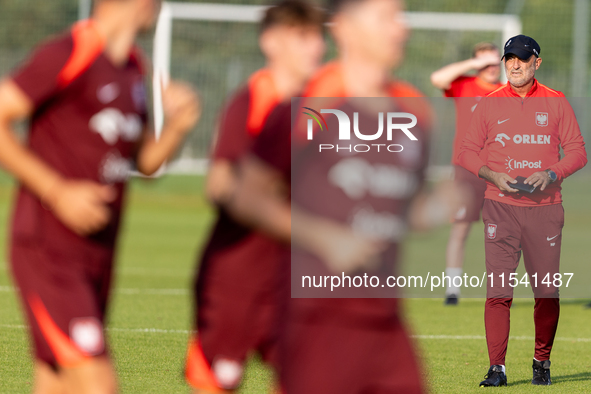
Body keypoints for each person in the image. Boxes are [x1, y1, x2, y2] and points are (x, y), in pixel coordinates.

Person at [228, 0, 464, 392]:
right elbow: (246, 196)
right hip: (316, 318)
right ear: (345, 29)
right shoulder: (314, 101)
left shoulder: (416, 110)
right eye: (386, 17)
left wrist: (444, 204)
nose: (399, 28)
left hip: (385, 319)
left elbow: (404, 211)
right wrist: (325, 237)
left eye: (401, 17)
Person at [0, 0, 200, 392]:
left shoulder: (133, 68)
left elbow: (144, 162)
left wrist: (177, 127)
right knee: (98, 384)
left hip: (96, 253)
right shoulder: (71, 51)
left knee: (56, 382)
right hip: (48, 250)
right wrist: (57, 192)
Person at [184, 1, 325, 392]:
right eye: (302, 36)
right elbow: (218, 184)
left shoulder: (317, 106)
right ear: (271, 42)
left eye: (317, 36)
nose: (315, 47)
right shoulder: (253, 101)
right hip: (236, 280)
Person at [458, 34, 587, 387]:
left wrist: (551, 173)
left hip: (545, 210)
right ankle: (496, 368)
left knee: (546, 292)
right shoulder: (488, 103)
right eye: (509, 58)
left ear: (536, 62)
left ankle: (541, 361)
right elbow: (466, 152)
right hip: (500, 208)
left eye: (522, 58)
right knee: (499, 291)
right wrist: (491, 173)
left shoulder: (557, 103)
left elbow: (577, 152)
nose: (514, 65)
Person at [431, 42, 503, 305]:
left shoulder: (507, 91)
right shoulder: (465, 85)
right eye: (486, 63)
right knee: (460, 229)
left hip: (499, 172)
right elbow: (437, 78)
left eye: (496, 62)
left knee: (502, 233)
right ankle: (452, 290)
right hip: (466, 169)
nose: (492, 68)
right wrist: (473, 64)